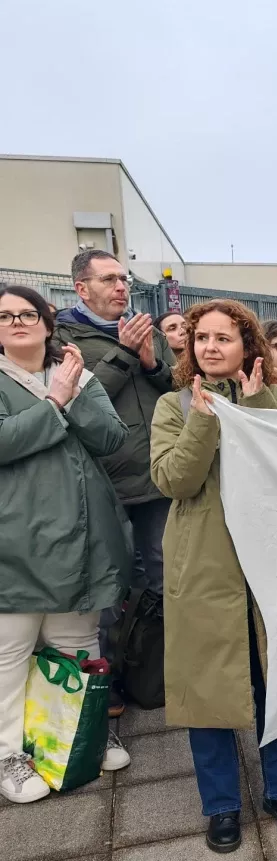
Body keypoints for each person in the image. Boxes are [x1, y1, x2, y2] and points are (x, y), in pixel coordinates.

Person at [149, 299, 277, 853]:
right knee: (208, 690)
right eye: (202, 338)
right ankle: (221, 806)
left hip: (268, 565)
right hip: (204, 568)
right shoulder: (173, 405)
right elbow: (174, 480)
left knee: (276, 683)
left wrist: (258, 403)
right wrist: (202, 419)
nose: (210, 347)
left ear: (248, 347)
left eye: (224, 338)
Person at [0, 286, 134, 803]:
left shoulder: (78, 376)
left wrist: (73, 392)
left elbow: (111, 441)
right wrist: (54, 399)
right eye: (5, 316)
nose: (17, 322)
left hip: (82, 536)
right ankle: (11, 753)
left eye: (27, 313)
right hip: (16, 539)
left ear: (46, 321)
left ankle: (80, 737)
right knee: (11, 652)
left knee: (76, 643)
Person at [56, 250, 175, 716]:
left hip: (157, 476)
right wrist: (125, 354)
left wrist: (150, 362)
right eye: (109, 279)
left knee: (163, 576)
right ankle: (108, 681)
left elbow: (174, 390)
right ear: (82, 288)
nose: (122, 287)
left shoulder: (149, 331)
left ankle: (155, 670)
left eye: (124, 278)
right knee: (110, 583)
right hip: (103, 480)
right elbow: (80, 399)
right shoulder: (64, 336)